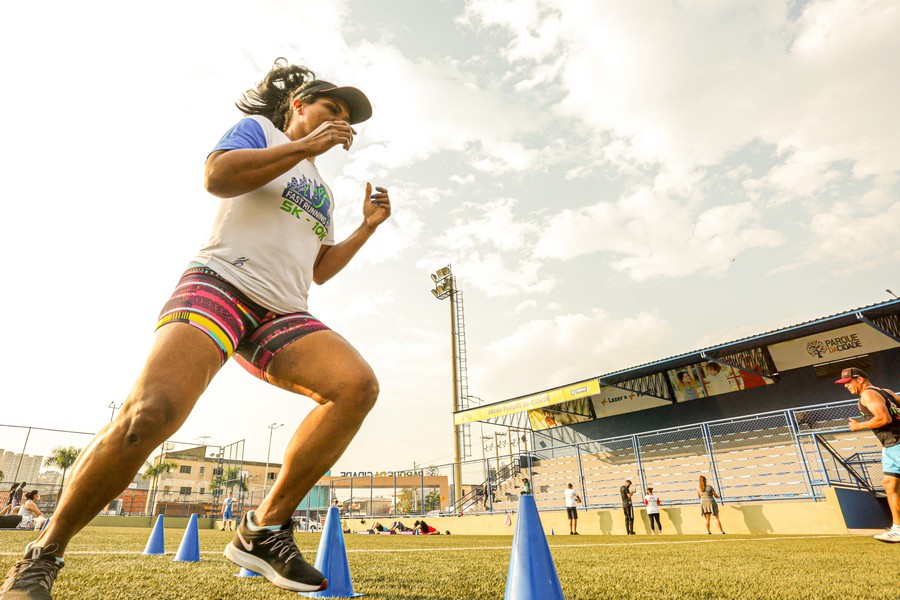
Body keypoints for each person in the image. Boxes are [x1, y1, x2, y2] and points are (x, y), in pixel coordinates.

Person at [1, 58, 391, 598]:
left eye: (348, 117)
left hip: (282, 310)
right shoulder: (263, 134)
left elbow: (319, 269)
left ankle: (261, 530)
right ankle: (42, 555)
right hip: (221, 283)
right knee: (149, 415)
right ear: (299, 105)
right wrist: (305, 146)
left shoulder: (322, 189)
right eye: (333, 107)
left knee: (356, 387)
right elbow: (218, 177)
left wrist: (366, 228)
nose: (341, 119)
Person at [839, 367, 900, 543]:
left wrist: (859, 426)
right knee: (889, 484)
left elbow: (884, 419)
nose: (846, 386)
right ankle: (897, 528)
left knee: (891, 485)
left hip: (896, 442)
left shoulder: (867, 395)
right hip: (890, 445)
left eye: (848, 382)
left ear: (859, 379)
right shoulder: (885, 392)